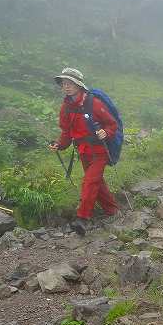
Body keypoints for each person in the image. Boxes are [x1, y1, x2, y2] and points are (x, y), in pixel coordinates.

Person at [49, 68, 119, 236]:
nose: (66, 87)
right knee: (96, 182)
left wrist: (106, 132)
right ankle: (113, 211)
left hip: (99, 151)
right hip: (83, 152)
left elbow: (112, 124)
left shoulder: (93, 102)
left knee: (89, 182)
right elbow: (66, 132)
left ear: (78, 85)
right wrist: (59, 145)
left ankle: (82, 218)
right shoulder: (66, 107)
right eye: (64, 84)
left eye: (70, 83)